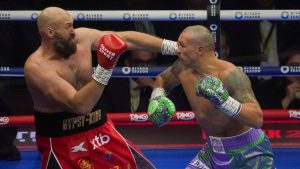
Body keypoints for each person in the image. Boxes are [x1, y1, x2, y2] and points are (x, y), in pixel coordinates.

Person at [24, 6, 177, 169]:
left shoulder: (81, 38)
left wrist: (174, 48)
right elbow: (79, 105)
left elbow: (126, 39)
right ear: (50, 33)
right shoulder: (37, 67)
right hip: (61, 143)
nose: (73, 31)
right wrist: (105, 68)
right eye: (68, 26)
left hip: (101, 131)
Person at [147, 25, 275, 168]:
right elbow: (162, 79)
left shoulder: (230, 75)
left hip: (249, 151)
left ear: (199, 50)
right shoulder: (181, 67)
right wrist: (157, 97)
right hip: (213, 151)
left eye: (182, 45)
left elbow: (257, 119)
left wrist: (224, 101)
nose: (177, 49)